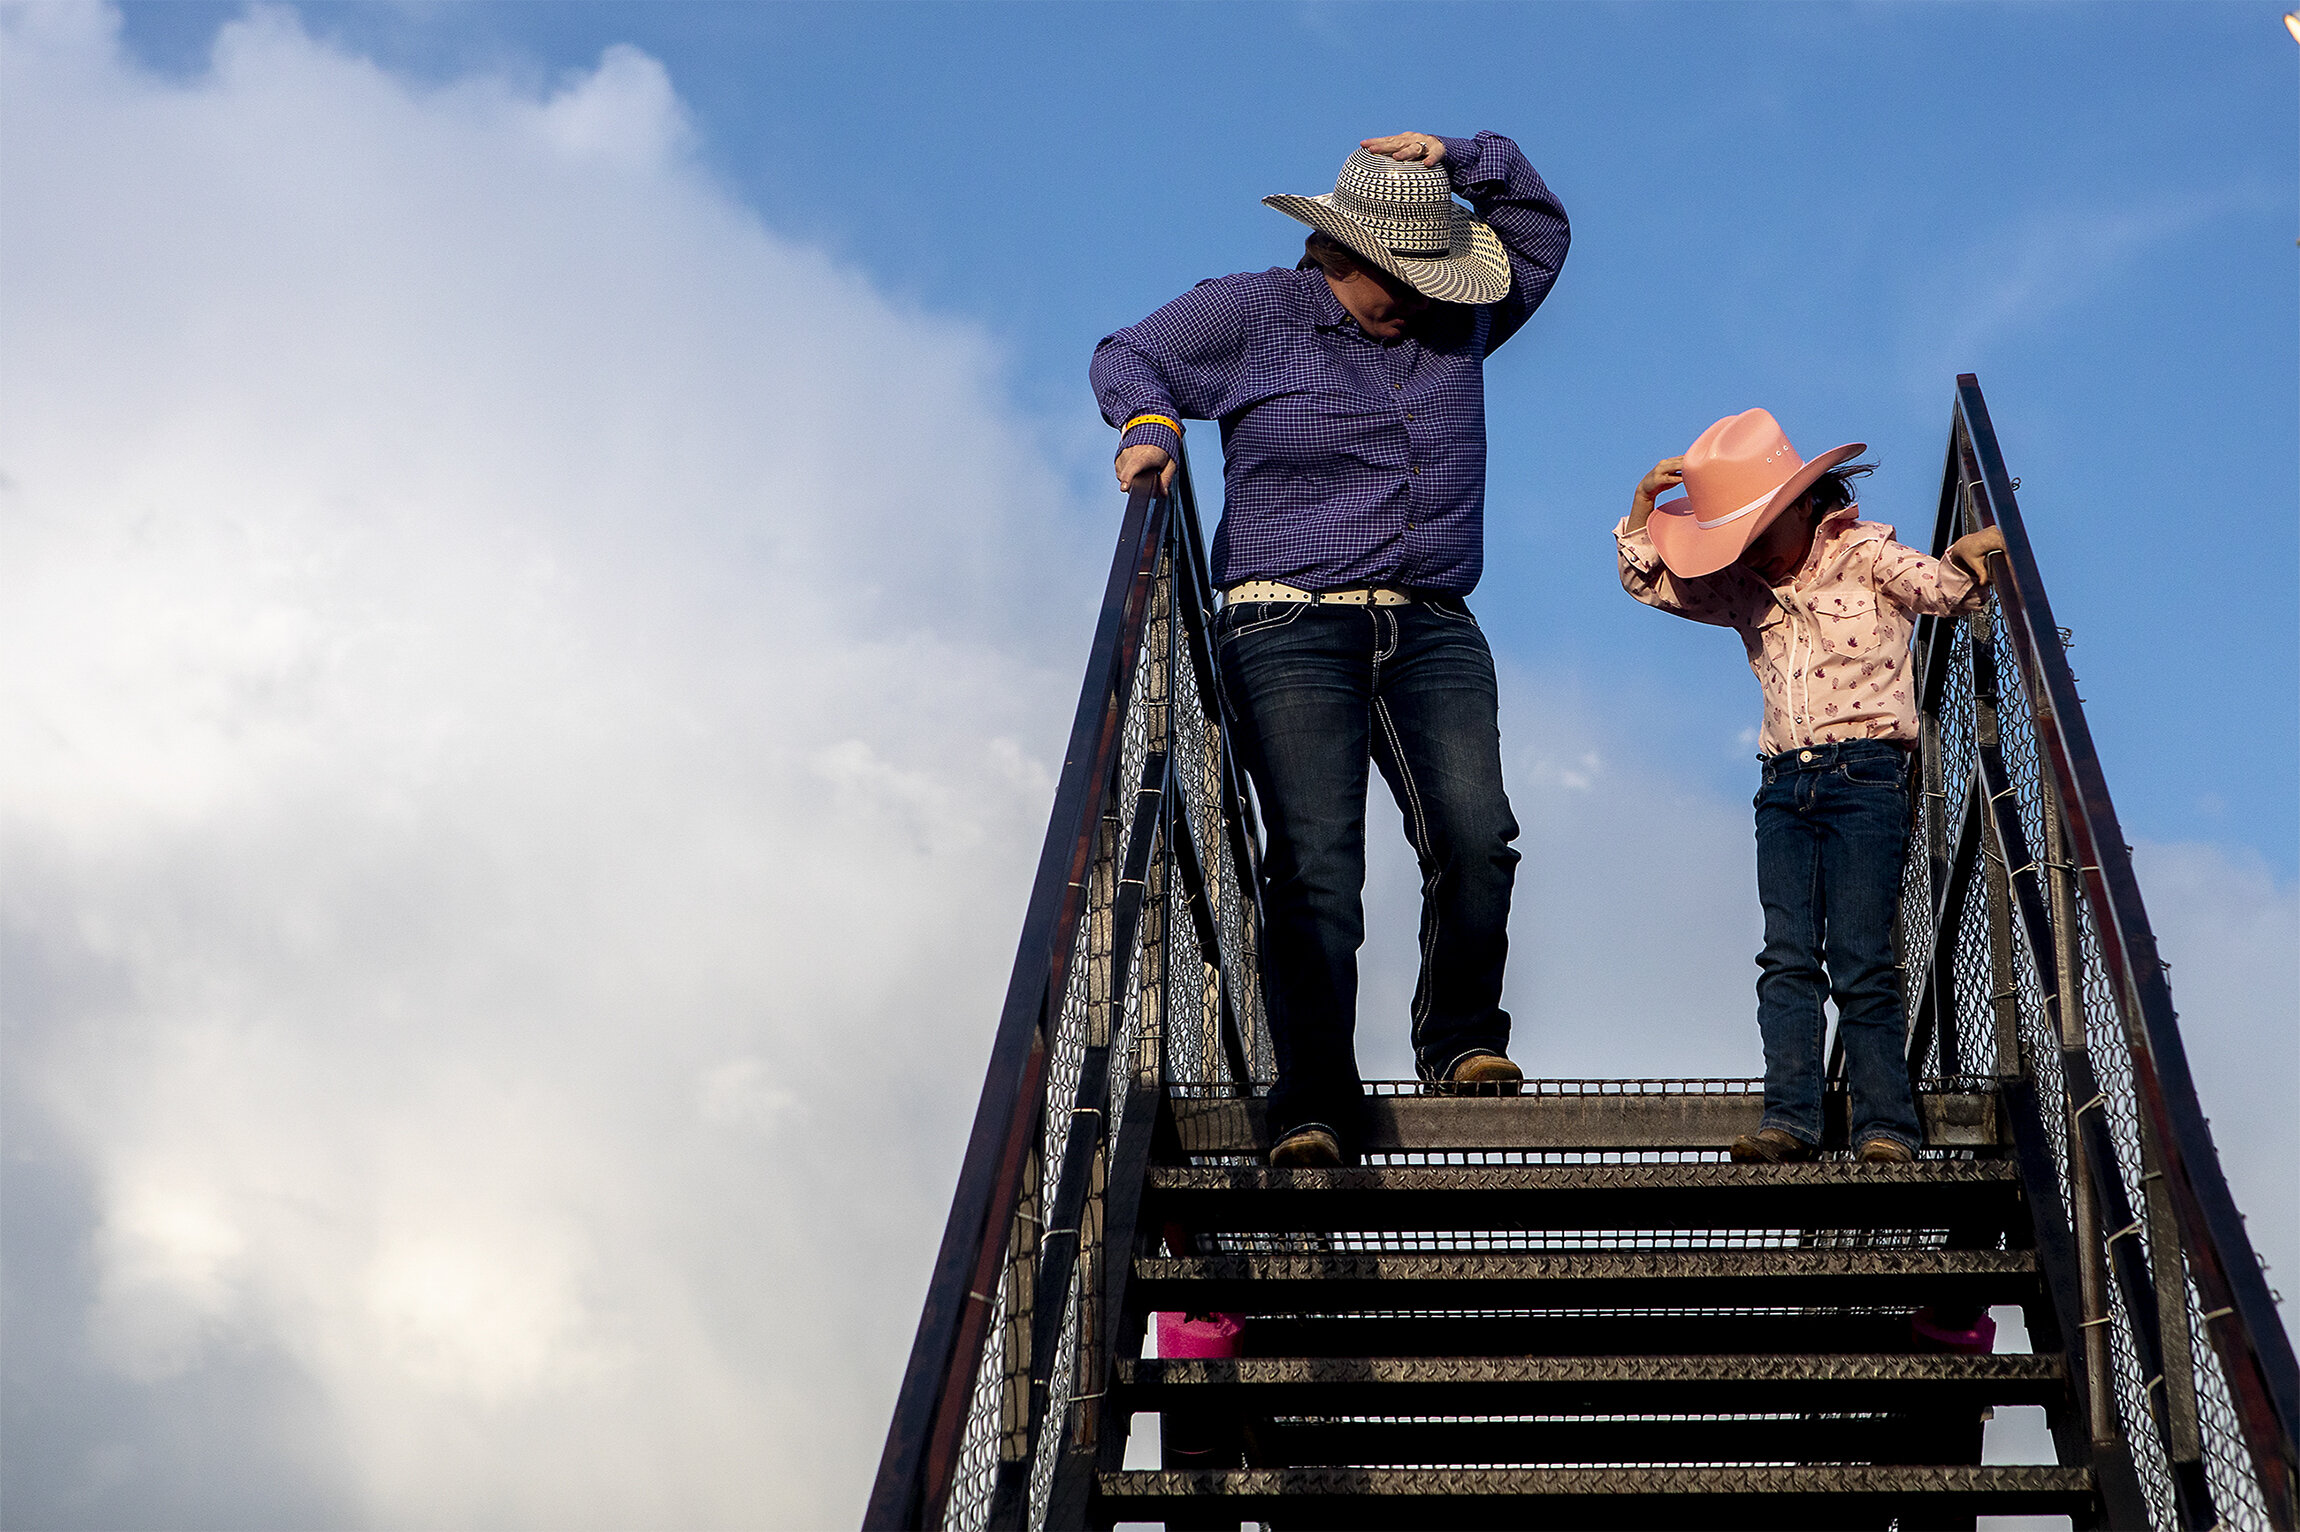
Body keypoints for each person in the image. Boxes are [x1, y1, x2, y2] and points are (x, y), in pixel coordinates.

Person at [1089, 131, 1569, 1167]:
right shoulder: (1253, 311)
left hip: (1431, 619)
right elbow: (1130, 352)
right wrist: (1148, 428)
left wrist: (1462, 153)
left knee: (1477, 834)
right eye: (1398, 277)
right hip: (1288, 620)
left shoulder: (1457, 318)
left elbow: (1533, 232)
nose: (1416, 296)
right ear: (1337, 255)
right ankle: (1311, 1095)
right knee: (1316, 859)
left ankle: (1457, 1039)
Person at [1616, 409, 2006, 1164]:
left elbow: (1948, 590)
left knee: (1861, 957)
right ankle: (1790, 1121)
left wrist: (1971, 557)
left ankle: (1886, 1126)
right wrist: (1643, 509)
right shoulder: (1740, 588)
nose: (1751, 552)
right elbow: (1653, 586)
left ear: (1803, 505)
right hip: (1782, 787)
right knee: (1787, 956)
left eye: (1758, 532)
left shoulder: (1868, 555)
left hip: (1867, 778)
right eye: (1736, 539)